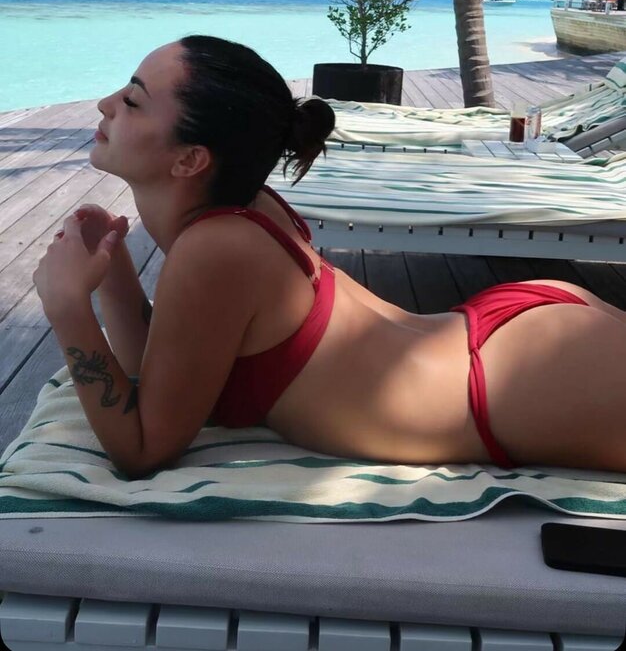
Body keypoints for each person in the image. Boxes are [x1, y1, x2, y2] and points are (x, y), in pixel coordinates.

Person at [33, 36, 626, 478]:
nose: (105, 104)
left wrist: (66, 307)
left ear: (191, 160)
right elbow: (159, 373)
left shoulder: (216, 247)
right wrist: (111, 269)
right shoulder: (246, 209)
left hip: (517, 383)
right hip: (511, 352)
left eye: (132, 101)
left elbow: (144, 449)